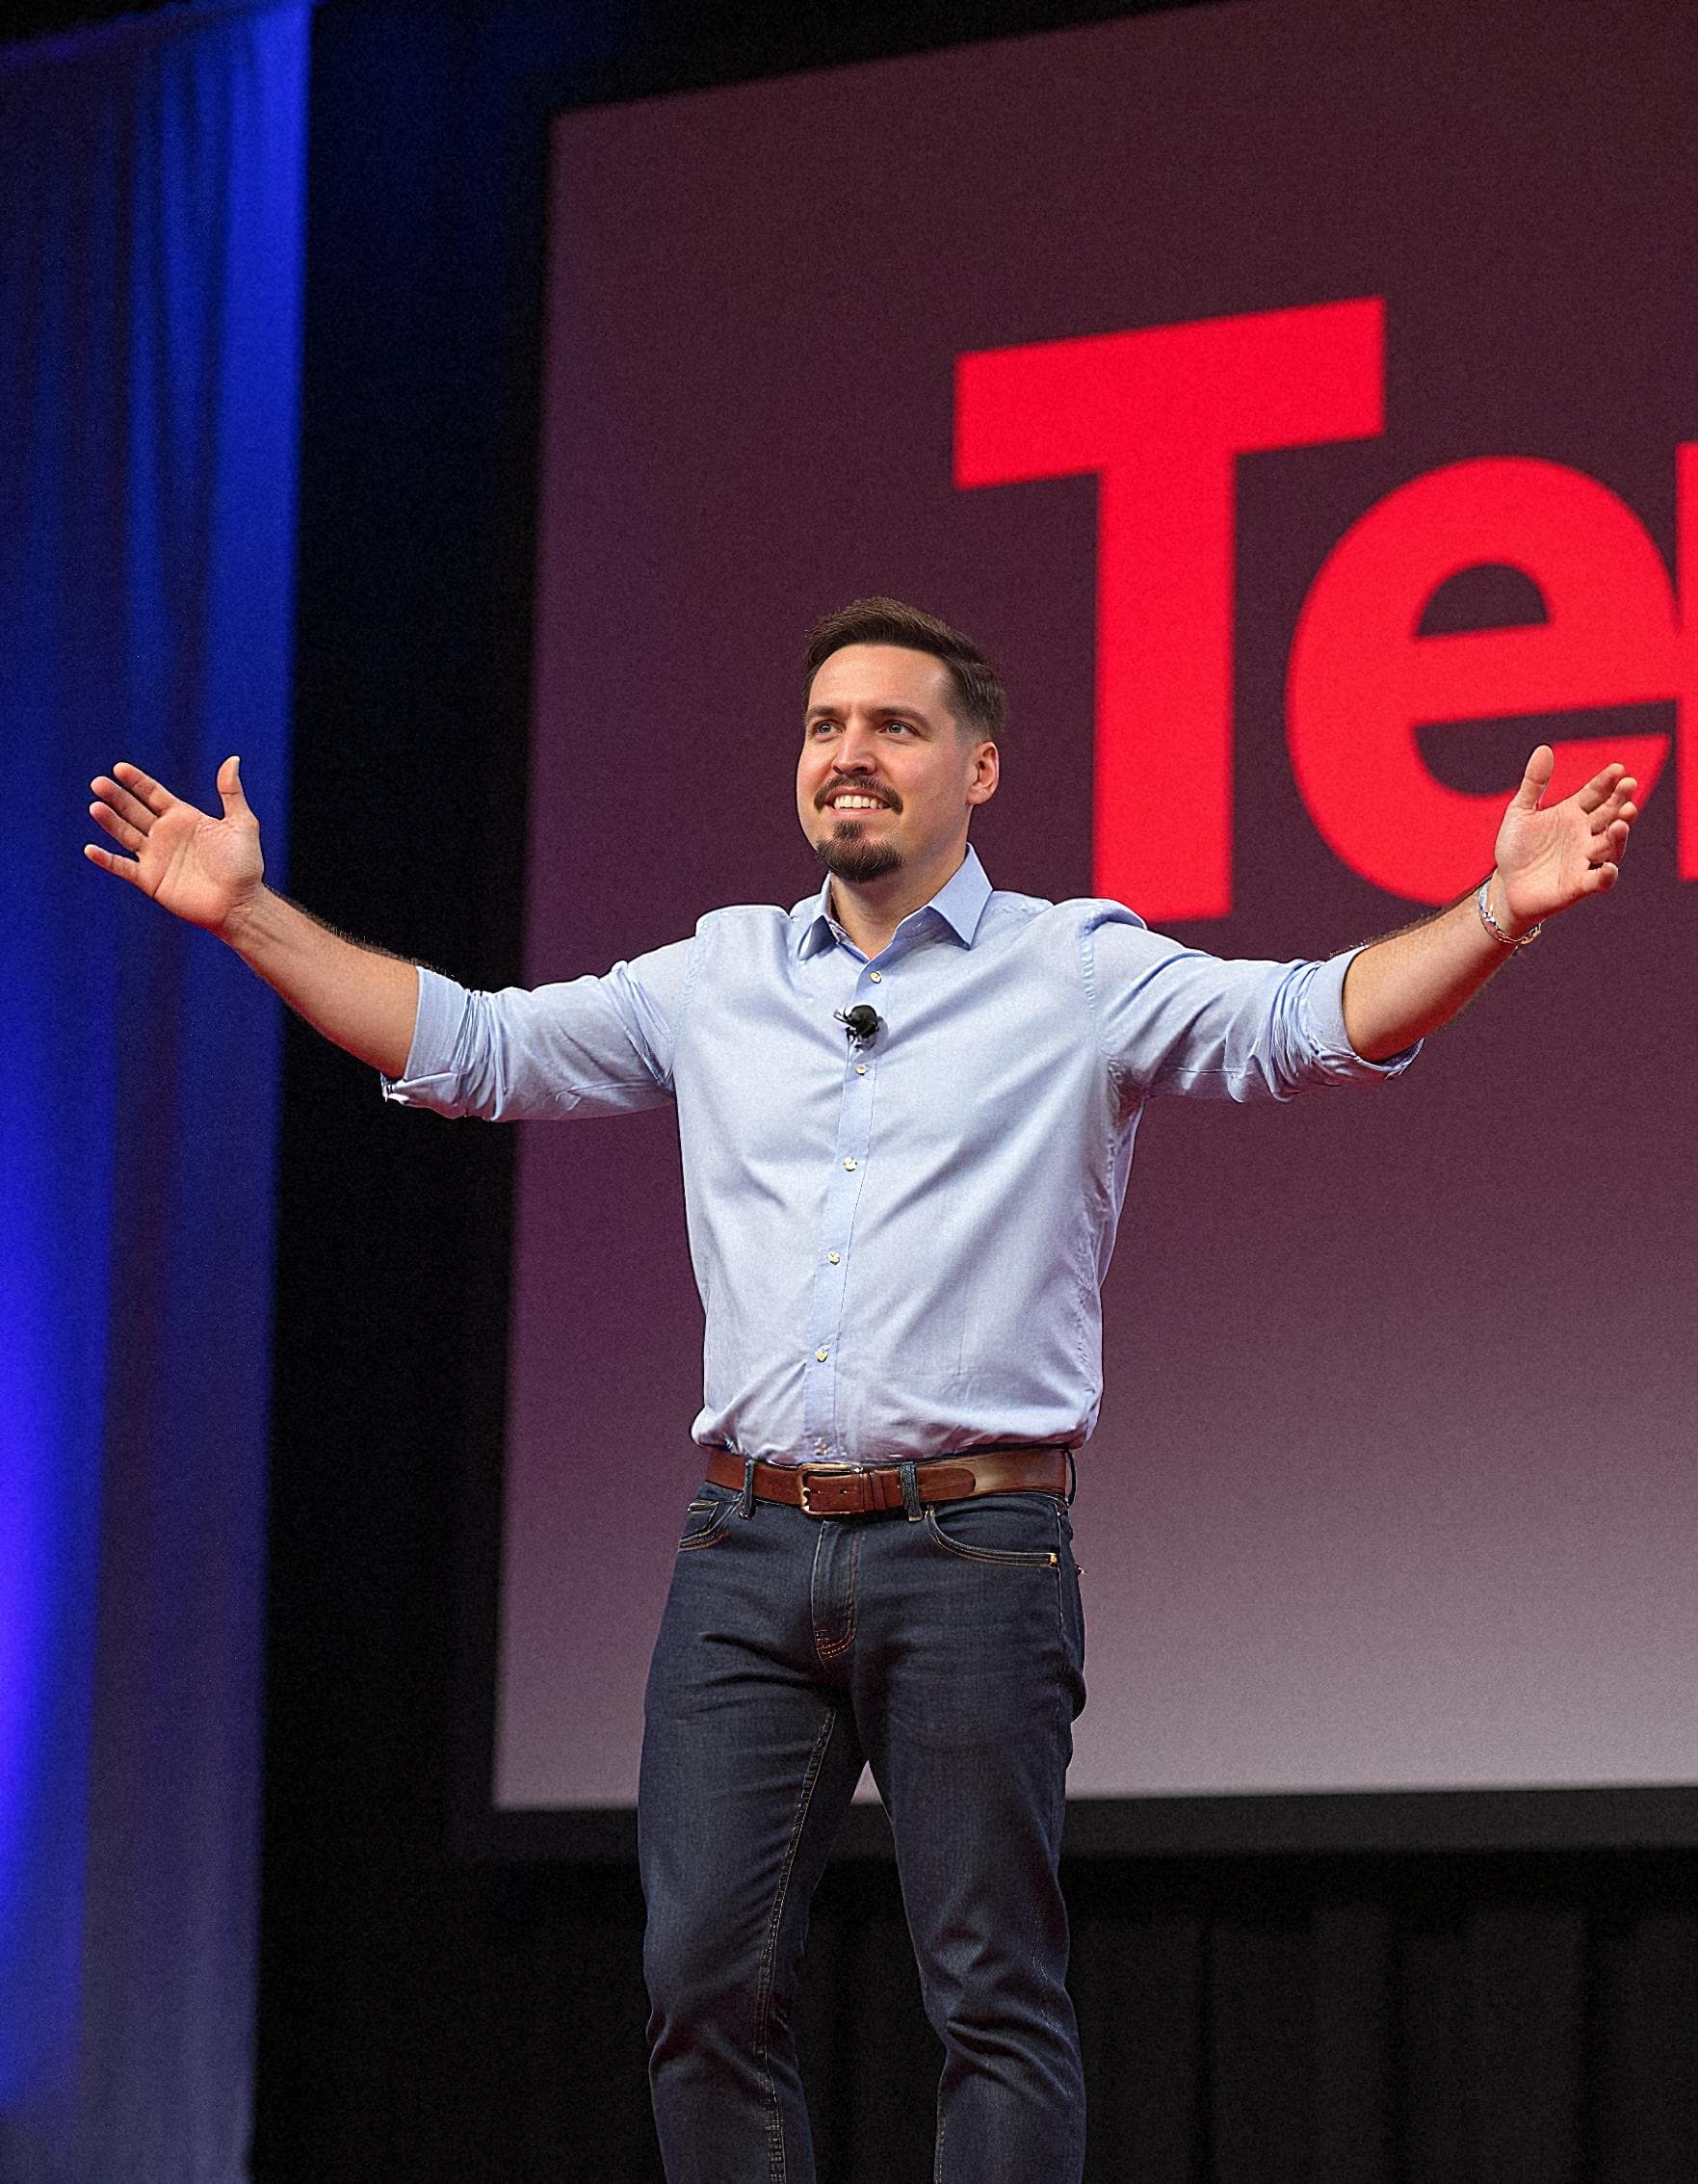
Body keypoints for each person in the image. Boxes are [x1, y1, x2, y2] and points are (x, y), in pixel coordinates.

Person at [86, 597, 1638, 2184]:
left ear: (979, 770)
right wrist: (245, 918)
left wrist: (1497, 912)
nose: (851, 754)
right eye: (827, 725)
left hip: (975, 1553)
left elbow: (1305, 1024)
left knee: (992, 2002)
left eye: (894, 727)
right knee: (699, 1983)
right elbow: (477, 1050)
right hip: (742, 1554)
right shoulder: (720, 976)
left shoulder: (1076, 969)